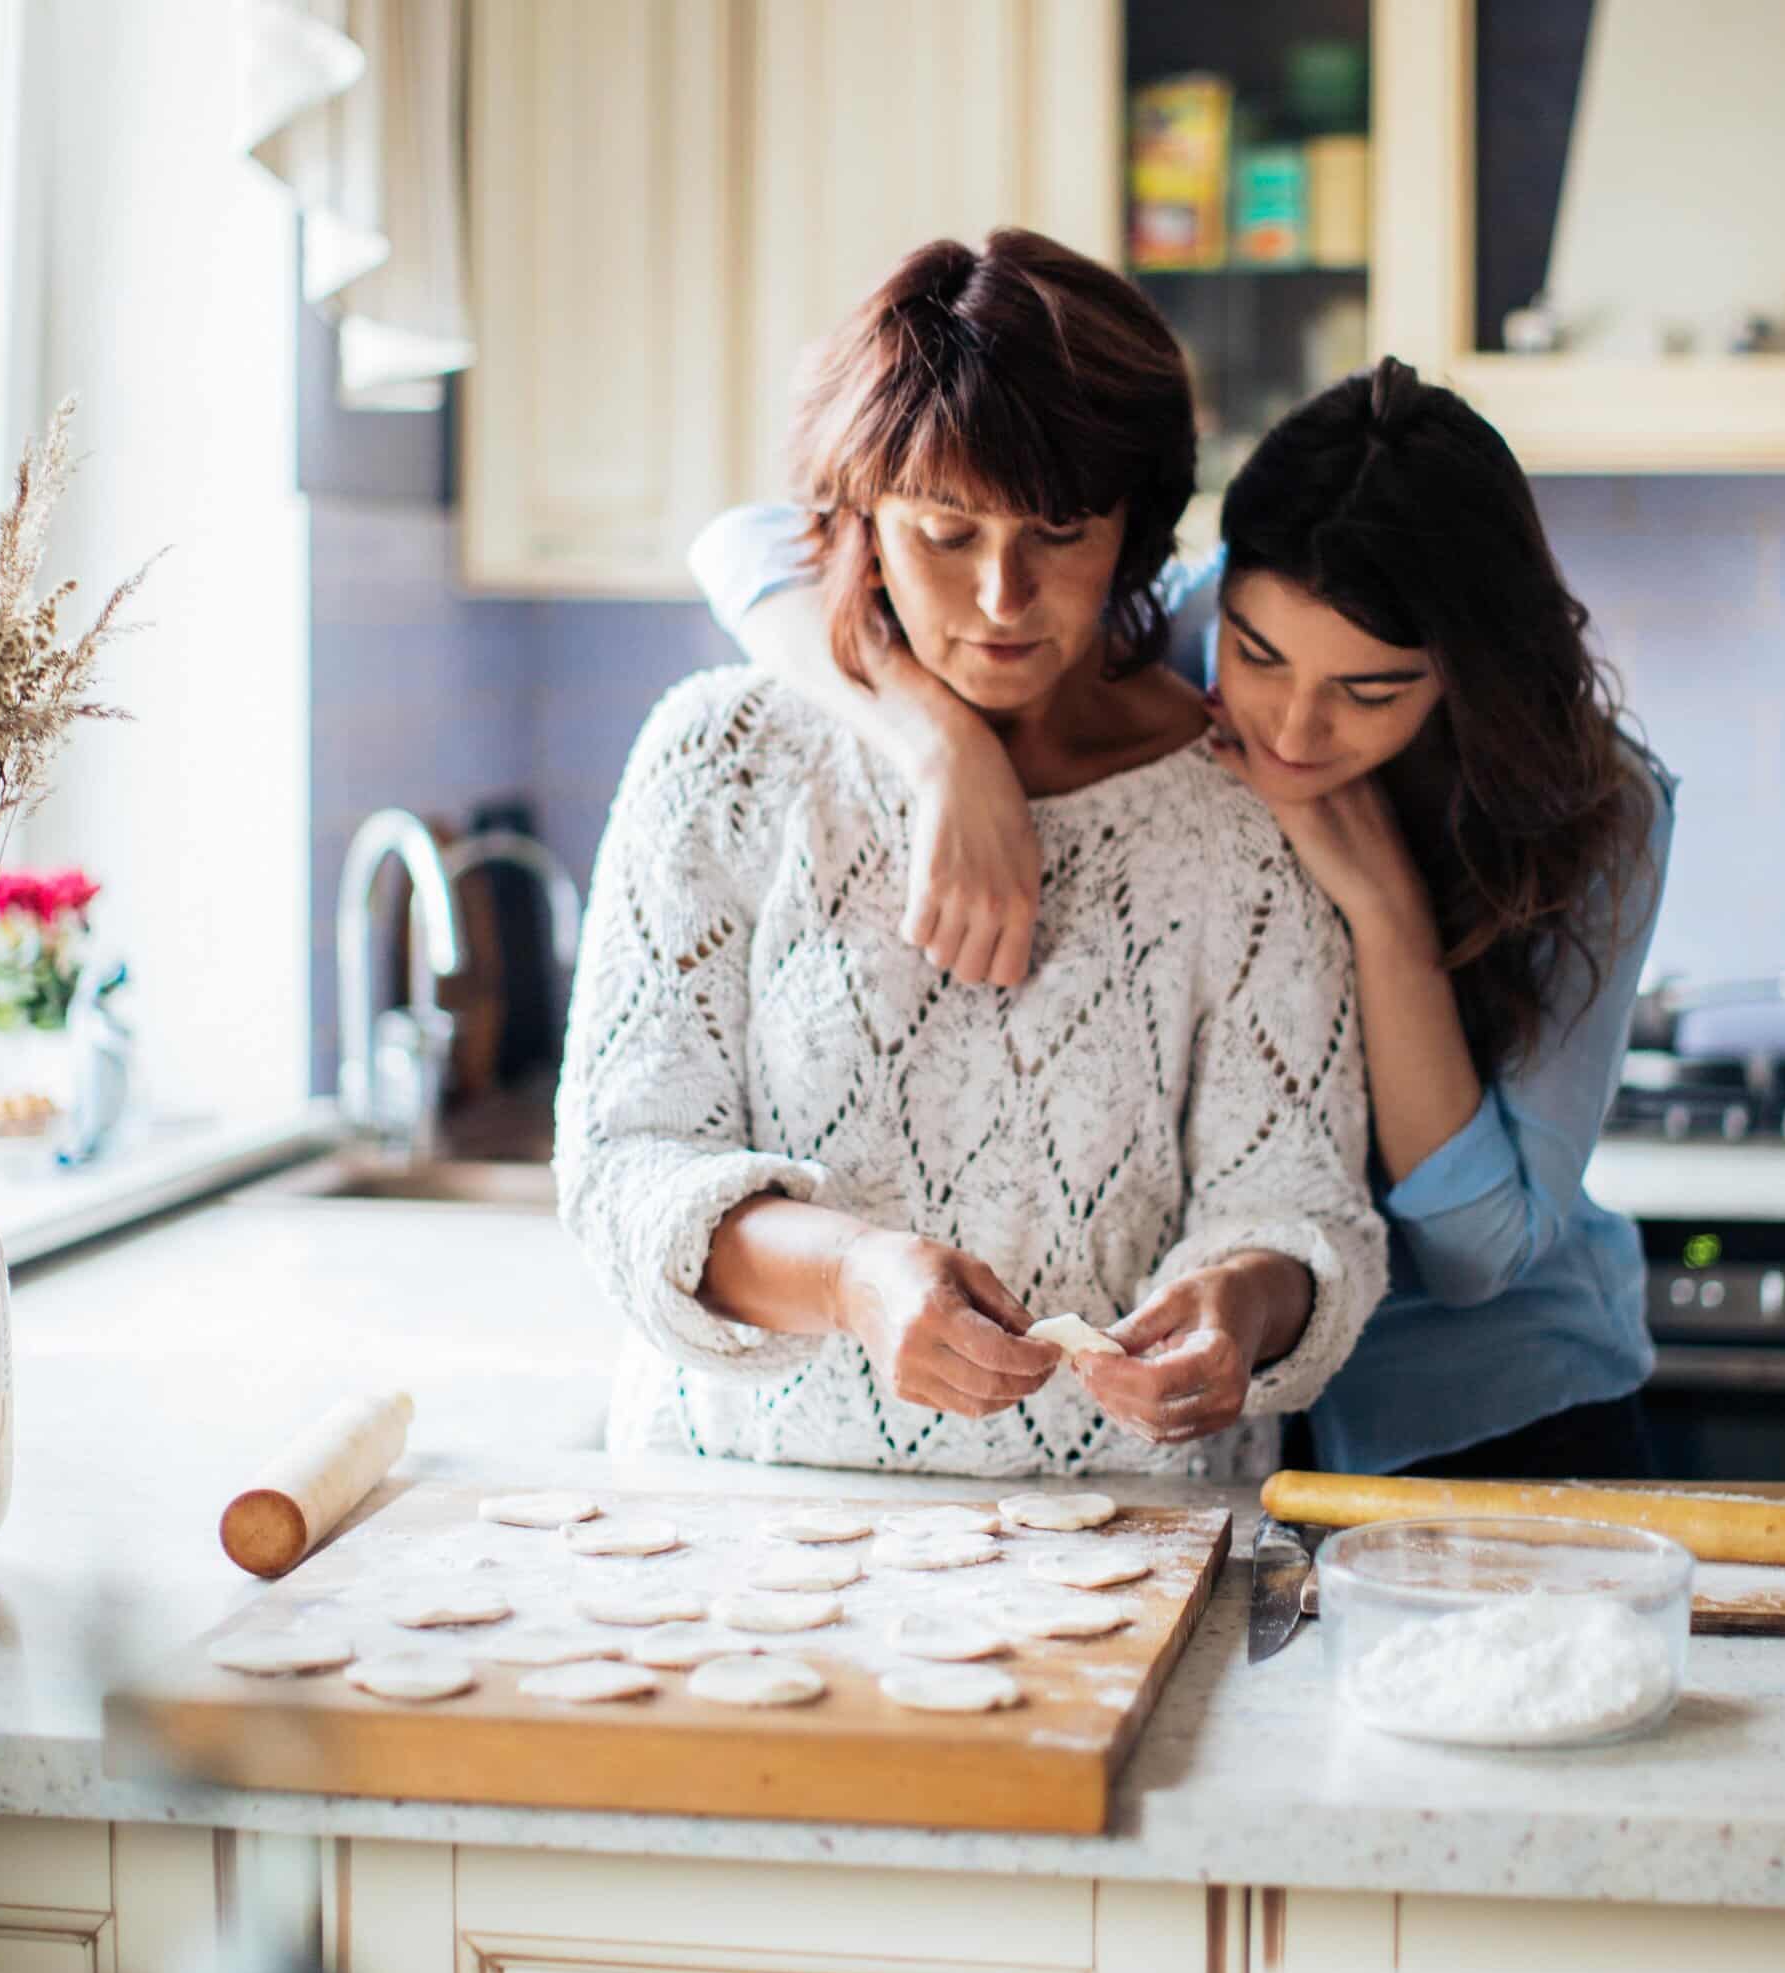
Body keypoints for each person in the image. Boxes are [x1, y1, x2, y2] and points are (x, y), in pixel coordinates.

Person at [689, 355, 1674, 1480]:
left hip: (1484, 1409)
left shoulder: (1599, 808)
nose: (1296, 728)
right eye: (1257, 657)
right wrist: (940, 749)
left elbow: (1476, 1254)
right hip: (1224, 1432)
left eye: (1372, 691)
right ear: (1222, 587)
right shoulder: (1170, 628)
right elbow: (752, 547)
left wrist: (1385, 914)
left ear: (1462, 672)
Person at [556, 230, 1386, 1478]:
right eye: (946, 533)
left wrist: (1241, 1306)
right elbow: (624, 1169)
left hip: (1132, 1536)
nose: (1005, 598)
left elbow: (1305, 1205)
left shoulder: (1239, 813)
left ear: (1137, 529)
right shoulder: (723, 759)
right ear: (859, 522)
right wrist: (849, 1277)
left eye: (1060, 532)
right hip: (743, 1530)